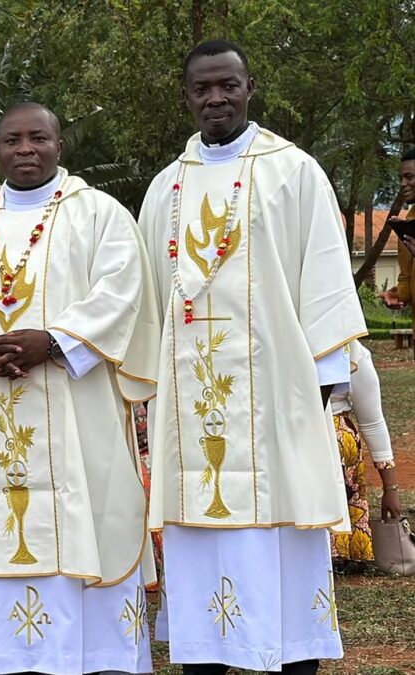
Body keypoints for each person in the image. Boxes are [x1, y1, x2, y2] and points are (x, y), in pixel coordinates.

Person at [138, 41, 366, 674]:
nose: (216, 99)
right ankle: (206, 662)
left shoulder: (294, 172)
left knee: (284, 536)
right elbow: (150, 301)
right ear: (187, 96)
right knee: (201, 548)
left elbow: (323, 276)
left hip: (279, 398)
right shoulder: (166, 188)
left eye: (228, 86)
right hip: (192, 406)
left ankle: (293, 661)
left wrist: (322, 384)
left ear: (249, 87)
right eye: (202, 89)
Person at [0, 102, 158, 675]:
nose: (25, 150)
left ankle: (97, 660)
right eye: (12, 140)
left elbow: (122, 293)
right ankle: (7, 661)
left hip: (79, 408)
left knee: (90, 523)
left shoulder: (100, 214)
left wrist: (52, 341)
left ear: (58, 145)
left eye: (38, 139)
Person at [330, 340, 403, 564]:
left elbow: (372, 422)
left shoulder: (351, 350)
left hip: (334, 440)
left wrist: (390, 488)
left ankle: (337, 552)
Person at [382, 148, 415, 358]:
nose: (403, 184)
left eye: (409, 177)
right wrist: (397, 295)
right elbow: (406, 277)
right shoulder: (408, 222)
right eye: (401, 178)